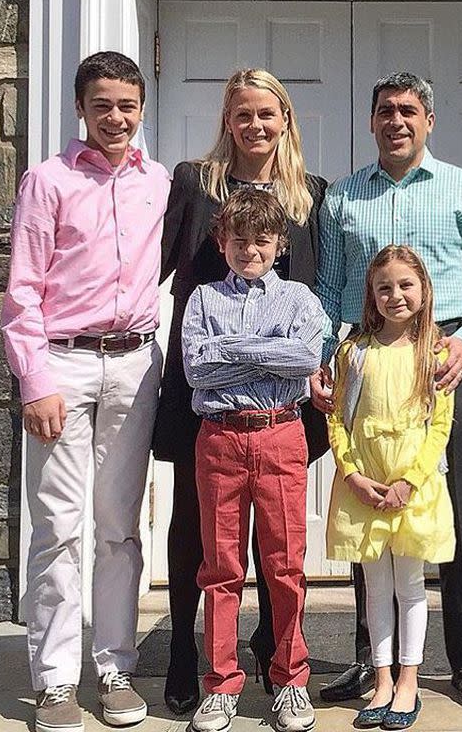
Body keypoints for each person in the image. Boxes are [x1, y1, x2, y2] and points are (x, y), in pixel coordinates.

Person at [314, 72, 462, 711]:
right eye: (384, 111)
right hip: (365, 357)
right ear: (371, 122)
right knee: (364, 502)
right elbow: (326, 287)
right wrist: (324, 362)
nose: (395, 121)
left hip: (441, 358)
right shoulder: (344, 197)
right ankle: (369, 660)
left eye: (407, 110)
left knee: (450, 502)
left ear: (428, 121)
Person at [1, 51, 170, 732]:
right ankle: (53, 681)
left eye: (127, 104)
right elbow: (21, 292)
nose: (116, 117)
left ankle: (113, 667)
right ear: (80, 108)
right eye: (102, 105)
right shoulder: (47, 181)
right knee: (58, 528)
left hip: (134, 365)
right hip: (64, 366)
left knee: (119, 528)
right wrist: (34, 380)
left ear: (142, 107)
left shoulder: (158, 182)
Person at [154, 68, 329, 715]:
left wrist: (318, 362)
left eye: (267, 114)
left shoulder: (312, 195)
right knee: (197, 532)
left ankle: (272, 652)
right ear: (228, 121)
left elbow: (324, 294)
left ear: (285, 119)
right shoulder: (195, 184)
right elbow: (157, 264)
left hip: (287, 403)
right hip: (209, 399)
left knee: (277, 541)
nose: (255, 125)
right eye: (243, 114)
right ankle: (183, 651)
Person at [181, 188, 324, 732]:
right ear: (222, 242)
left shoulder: (299, 301)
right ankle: (220, 686)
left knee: (285, 566)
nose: (250, 249)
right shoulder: (201, 300)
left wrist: (233, 347)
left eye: (262, 240)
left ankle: (290, 680)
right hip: (218, 440)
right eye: (239, 239)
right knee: (220, 568)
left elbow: (305, 358)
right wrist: (266, 350)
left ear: (279, 243)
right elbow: (198, 370)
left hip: (280, 435)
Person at [326, 245, 455, 730]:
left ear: (423, 291)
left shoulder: (435, 352)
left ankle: (408, 681)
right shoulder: (354, 352)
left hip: (411, 487)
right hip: (366, 483)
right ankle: (381, 679)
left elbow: (439, 427)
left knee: (411, 585)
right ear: (370, 295)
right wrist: (352, 474)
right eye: (384, 287)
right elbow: (338, 419)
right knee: (375, 587)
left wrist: (410, 480)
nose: (395, 295)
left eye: (405, 285)